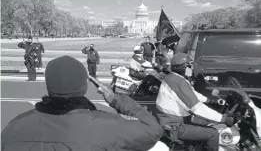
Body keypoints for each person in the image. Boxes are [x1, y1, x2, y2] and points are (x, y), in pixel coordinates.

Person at [1, 55, 165, 151]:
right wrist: (117, 100)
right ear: (83, 87)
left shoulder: (15, 126)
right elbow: (153, 130)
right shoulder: (106, 125)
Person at [155, 53, 237, 151]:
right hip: (175, 125)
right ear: (182, 67)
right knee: (213, 133)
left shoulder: (174, 78)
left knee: (210, 122)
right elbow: (198, 109)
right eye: (190, 66)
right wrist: (223, 119)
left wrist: (210, 101)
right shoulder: (179, 82)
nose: (192, 69)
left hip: (172, 119)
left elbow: (193, 94)